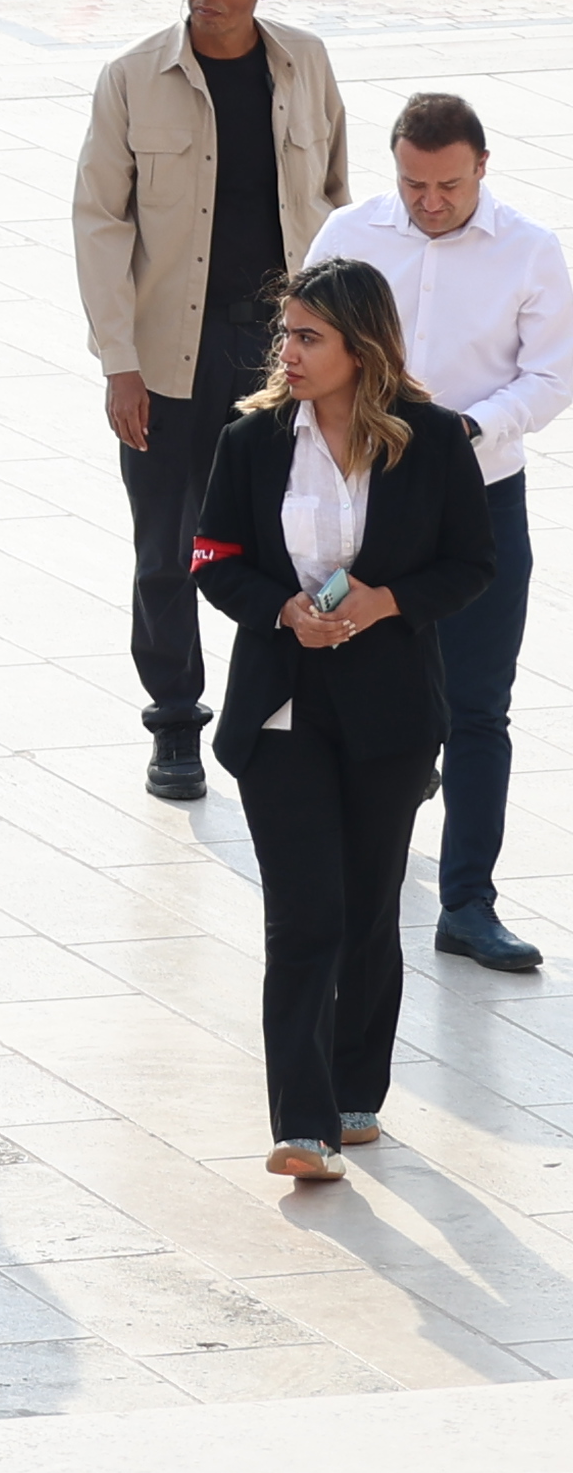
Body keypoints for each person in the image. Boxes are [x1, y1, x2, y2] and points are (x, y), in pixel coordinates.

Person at [195, 259, 503, 1178]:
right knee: (305, 916)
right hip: (282, 708)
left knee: (369, 912)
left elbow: (472, 562)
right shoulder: (249, 443)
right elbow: (213, 556)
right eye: (286, 334)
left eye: (308, 337)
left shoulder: (434, 440)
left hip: (390, 715)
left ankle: (356, 1095)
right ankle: (302, 1124)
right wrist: (283, 609)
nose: (287, 352)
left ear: (360, 349)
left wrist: (386, 602)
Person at [75, 0, 350, 799]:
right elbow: (99, 224)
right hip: (170, 354)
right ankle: (175, 725)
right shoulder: (131, 78)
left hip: (283, 354)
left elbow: (340, 204)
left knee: (297, 537)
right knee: (168, 548)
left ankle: (282, 716)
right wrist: (121, 362)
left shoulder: (305, 64)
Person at [307, 91, 573, 974]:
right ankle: (345, 878)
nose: (430, 202)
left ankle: (468, 903)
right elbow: (303, 338)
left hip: (478, 502)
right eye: (414, 184)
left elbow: (551, 376)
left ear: (483, 168)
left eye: (448, 185)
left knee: (477, 709)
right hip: (362, 500)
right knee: (344, 684)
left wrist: (465, 431)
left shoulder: (530, 252)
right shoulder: (350, 234)